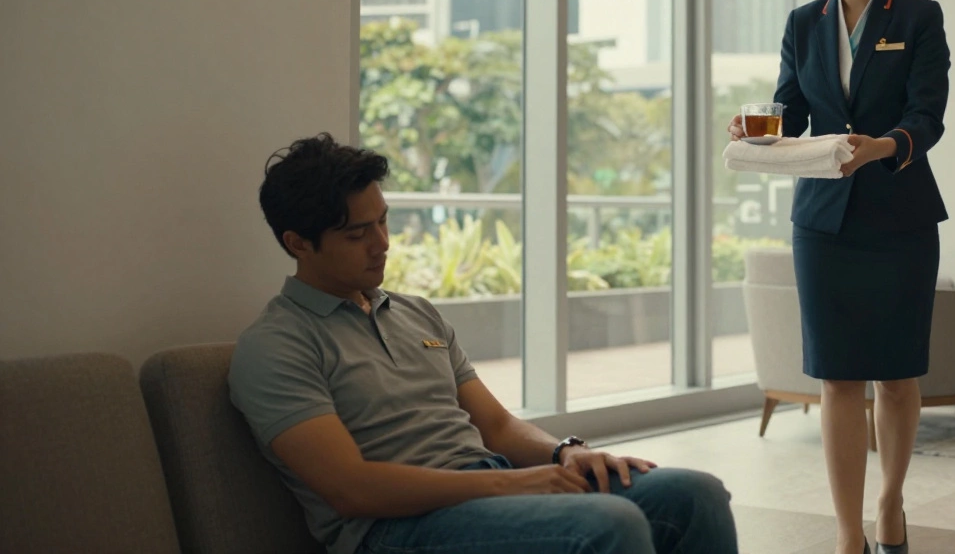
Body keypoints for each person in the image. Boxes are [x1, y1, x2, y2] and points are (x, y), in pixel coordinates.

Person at [229, 133, 738, 554]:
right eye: (357, 233)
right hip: (395, 530)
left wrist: (564, 453)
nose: (382, 243)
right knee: (608, 524)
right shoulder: (278, 346)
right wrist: (517, 483)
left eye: (383, 221)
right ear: (297, 242)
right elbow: (351, 489)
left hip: (488, 490)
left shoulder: (414, 311)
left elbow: (495, 425)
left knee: (695, 493)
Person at [728, 0, 949, 554]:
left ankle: (890, 502)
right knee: (838, 376)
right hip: (823, 223)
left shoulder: (916, 17)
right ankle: (848, 534)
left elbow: (927, 118)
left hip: (900, 216)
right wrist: (755, 126)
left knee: (897, 372)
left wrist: (881, 148)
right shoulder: (803, 22)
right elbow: (792, 110)